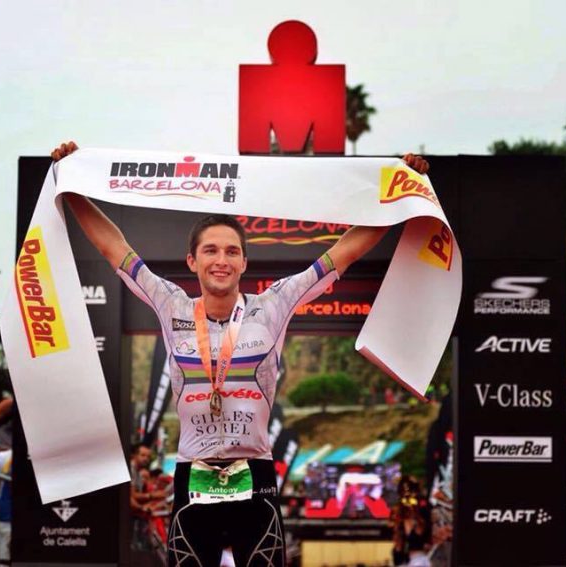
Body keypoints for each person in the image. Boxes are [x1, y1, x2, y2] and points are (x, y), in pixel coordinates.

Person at [51, 141, 429, 566]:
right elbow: (112, 246)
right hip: (193, 475)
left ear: (245, 262)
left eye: (232, 251)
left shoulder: (274, 304)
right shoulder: (172, 305)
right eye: (211, 250)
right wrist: (74, 189)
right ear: (191, 260)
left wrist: (401, 193)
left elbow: (347, 250)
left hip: (256, 478)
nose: (222, 260)